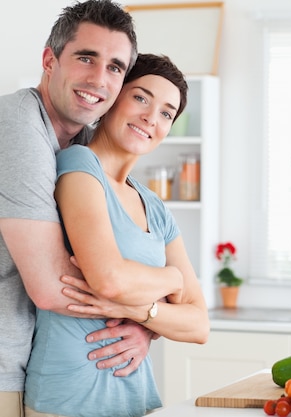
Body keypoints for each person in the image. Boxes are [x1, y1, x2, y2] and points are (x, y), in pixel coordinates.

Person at [24, 53, 210, 417]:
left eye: (166, 113)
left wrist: (140, 312)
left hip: (135, 398)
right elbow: (107, 279)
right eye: (141, 97)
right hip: (69, 397)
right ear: (113, 97)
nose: (150, 118)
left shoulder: (155, 206)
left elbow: (199, 324)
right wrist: (170, 280)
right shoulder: (78, 166)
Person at [0, 2, 155, 416]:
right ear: (50, 60)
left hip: (42, 369)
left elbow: (119, 259)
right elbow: (53, 286)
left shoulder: (85, 147)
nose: (98, 79)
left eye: (115, 67)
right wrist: (156, 310)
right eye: (86, 57)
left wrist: (144, 325)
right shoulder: (18, 124)